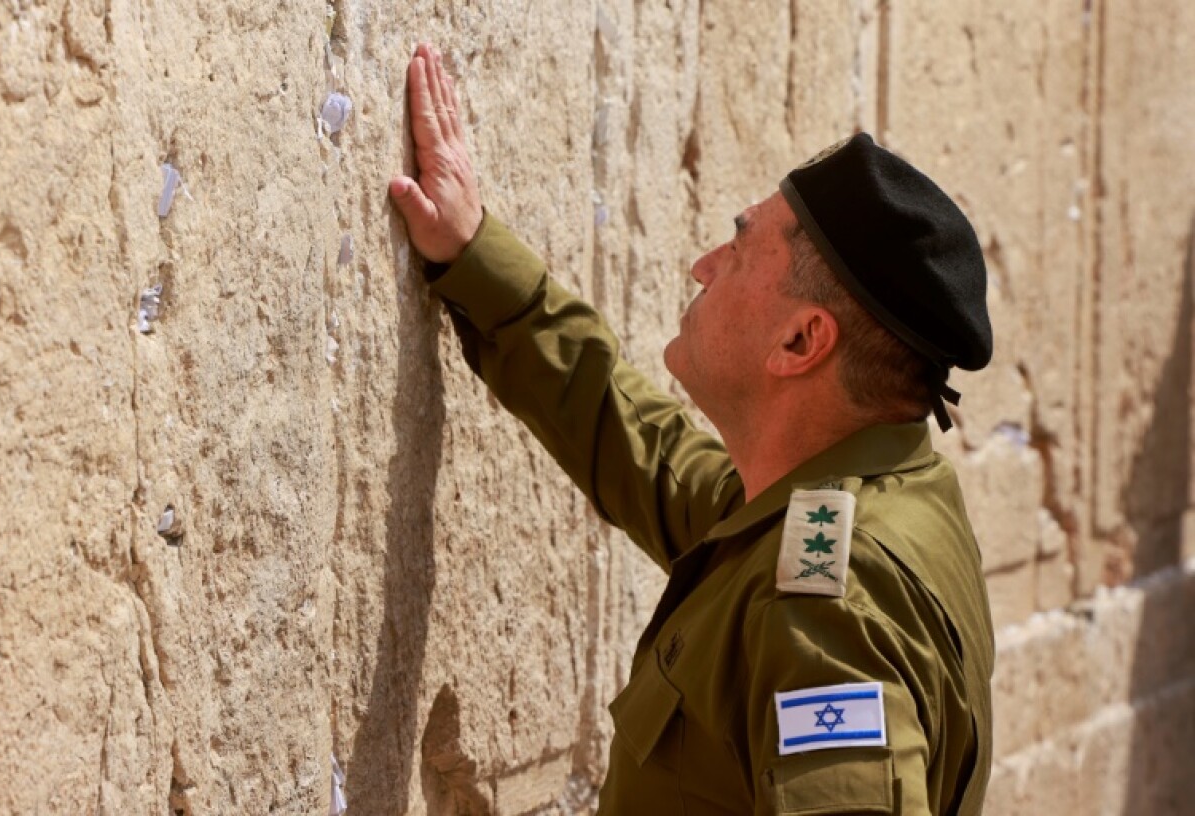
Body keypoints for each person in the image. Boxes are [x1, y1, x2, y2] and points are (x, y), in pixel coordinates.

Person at [388, 43, 995, 815]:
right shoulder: (863, 497)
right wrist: (477, 257)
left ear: (801, 343)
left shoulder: (826, 610)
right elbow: (653, 455)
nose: (704, 265)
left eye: (740, 249)